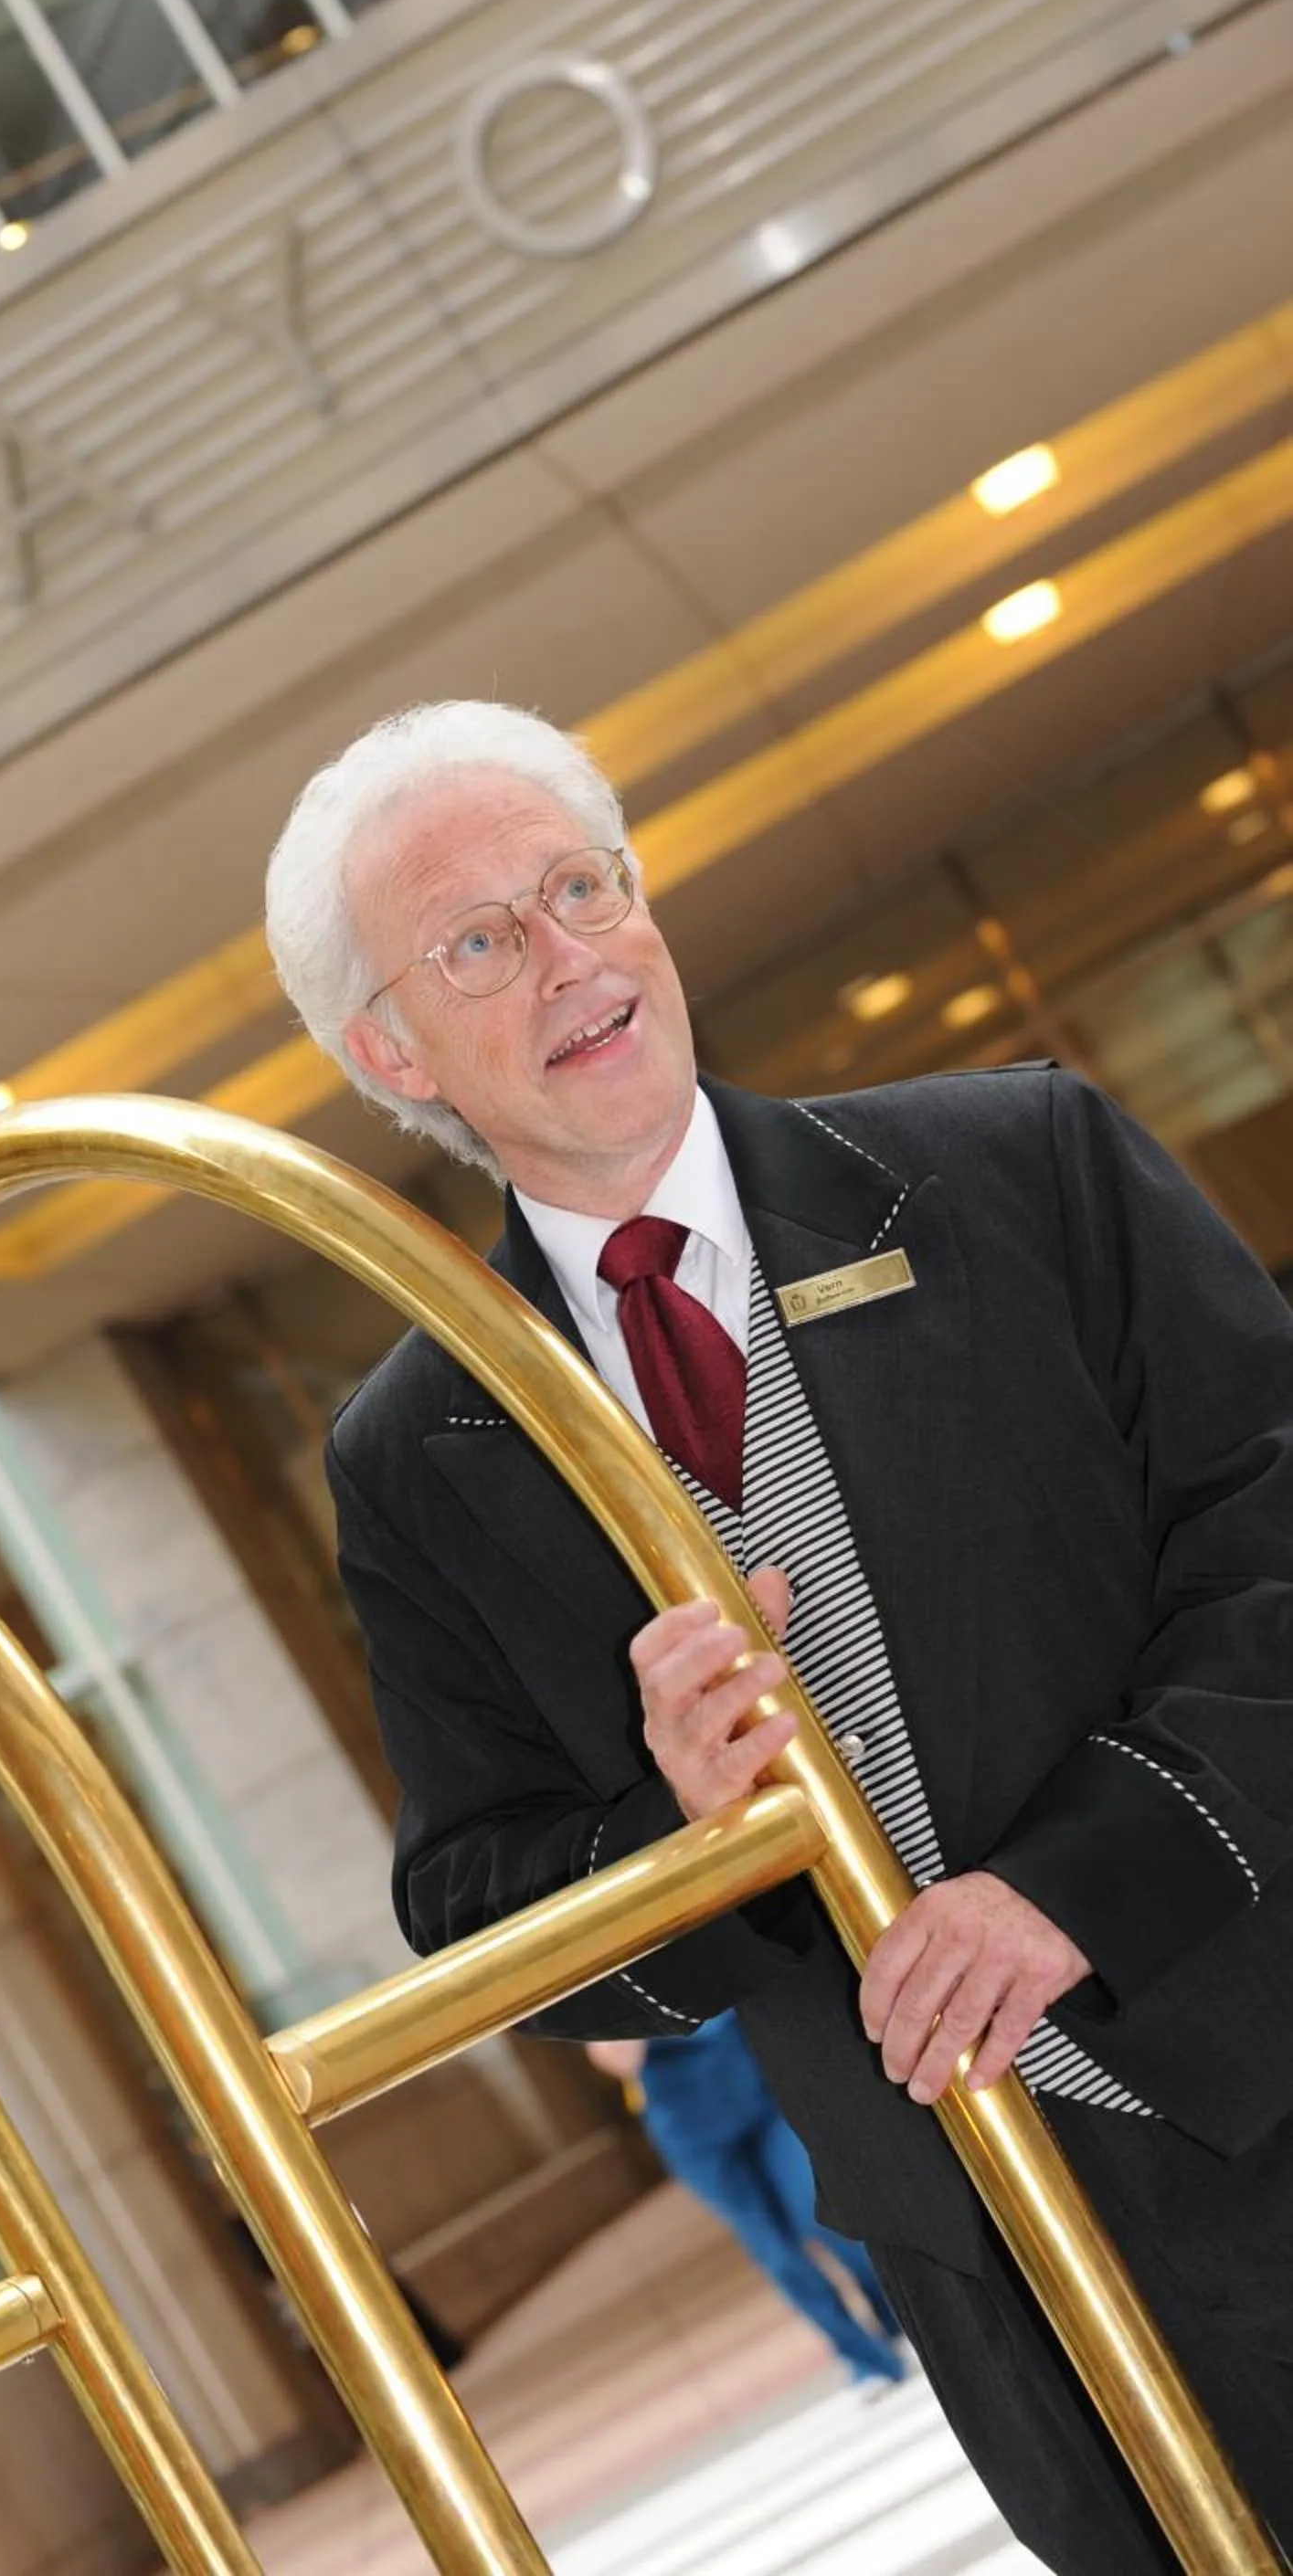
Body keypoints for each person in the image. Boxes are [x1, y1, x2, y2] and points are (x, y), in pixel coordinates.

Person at [262, 701, 1293, 2576]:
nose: (569, 954)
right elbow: (484, 1917)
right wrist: (677, 1843)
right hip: (994, 2262)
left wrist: (1083, 1878)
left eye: (582, 886)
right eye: (480, 940)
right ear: (383, 1047)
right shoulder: (413, 1456)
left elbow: (1274, 1532)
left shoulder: (1018, 1167)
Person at [584, 2020, 906, 2389]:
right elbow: (613, 2057)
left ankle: (893, 2313)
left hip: (760, 2094)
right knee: (775, 2251)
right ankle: (866, 2361)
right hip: (691, 2132)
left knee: (816, 2208)